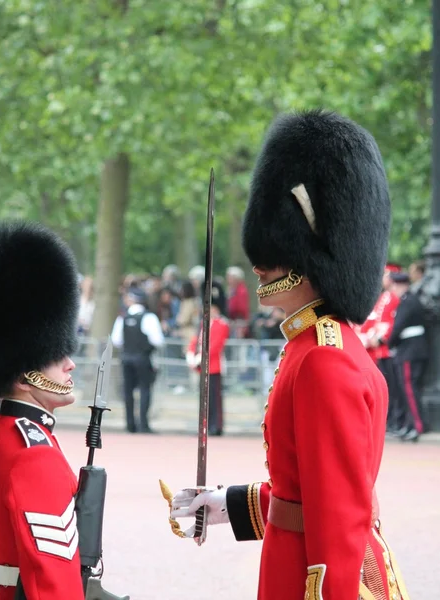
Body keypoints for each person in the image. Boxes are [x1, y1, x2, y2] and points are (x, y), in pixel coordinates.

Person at [170, 110, 409, 600]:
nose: (259, 266)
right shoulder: (312, 347)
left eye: (274, 253)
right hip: (293, 560)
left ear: (308, 258)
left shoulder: (325, 359)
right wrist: (224, 504)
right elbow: (304, 493)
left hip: (317, 577)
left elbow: (338, 516)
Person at [0, 221, 84, 599]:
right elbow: (52, 581)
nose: (69, 364)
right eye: (55, 355)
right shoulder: (34, 456)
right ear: (25, 376)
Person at [111, 287, 164, 433]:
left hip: (126, 357)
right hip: (143, 358)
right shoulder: (149, 317)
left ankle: (130, 424)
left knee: (128, 391)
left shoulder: (123, 317)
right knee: (145, 390)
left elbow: (116, 340)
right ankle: (143, 424)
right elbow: (158, 340)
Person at [356, 264, 401, 431]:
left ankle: (393, 421)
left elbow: (387, 323)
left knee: (391, 390)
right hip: (374, 350)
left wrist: (375, 338)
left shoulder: (391, 297)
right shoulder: (383, 297)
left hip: (383, 350)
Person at [388, 271, 428, 441]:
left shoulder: (408, 302)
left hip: (410, 351)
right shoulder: (408, 301)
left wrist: (389, 342)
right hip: (410, 349)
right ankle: (409, 424)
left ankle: (417, 426)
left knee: (410, 390)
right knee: (407, 390)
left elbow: (398, 326)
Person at [186, 292, 230, 435]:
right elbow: (196, 340)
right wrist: (191, 354)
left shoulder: (222, 324)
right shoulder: (203, 323)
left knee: (214, 398)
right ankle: (206, 424)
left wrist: (200, 357)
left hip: (214, 366)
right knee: (204, 397)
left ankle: (216, 425)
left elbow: (216, 345)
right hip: (202, 366)